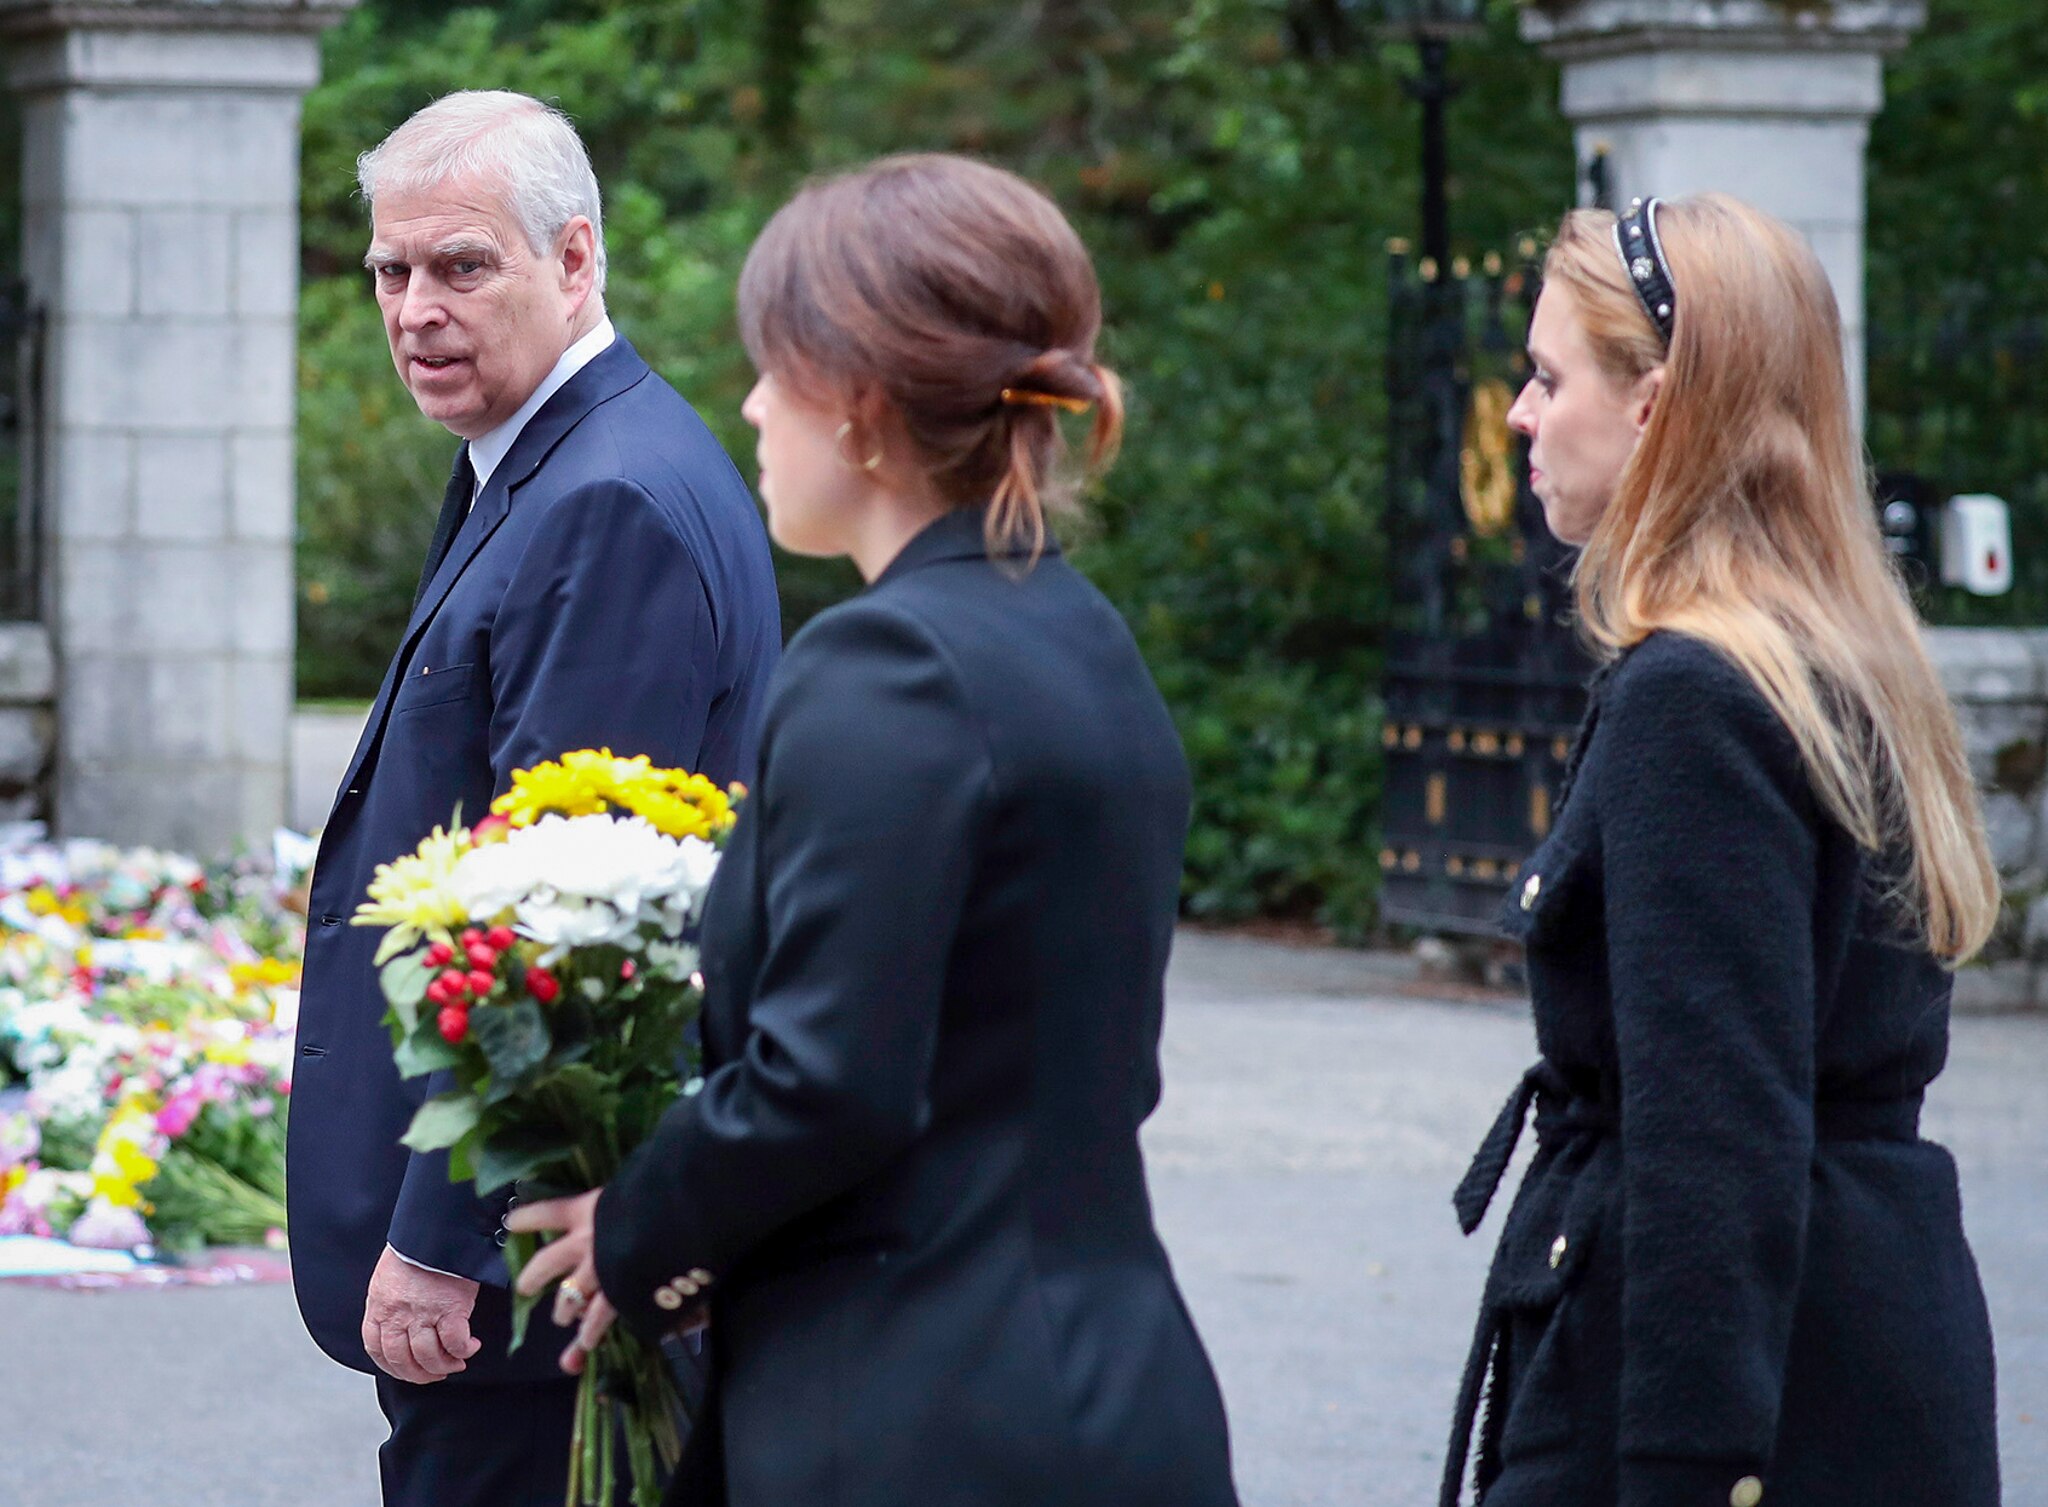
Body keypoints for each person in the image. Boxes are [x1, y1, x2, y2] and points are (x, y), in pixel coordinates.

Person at [506, 153, 1242, 1507]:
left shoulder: (887, 664)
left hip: (925, 1414)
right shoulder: (1081, 637)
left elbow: (826, 1080)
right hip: (1110, 1381)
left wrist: (635, 1232)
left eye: (770, 370)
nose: (748, 407)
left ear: (853, 401)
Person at [1440, 192, 2002, 1507]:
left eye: (1544, 376)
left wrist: (1692, 1470)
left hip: (1740, 1387)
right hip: (1857, 1337)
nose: (1519, 415)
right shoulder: (1832, 665)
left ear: (1655, 406)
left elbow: (1718, 1132)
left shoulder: (1696, 693)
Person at [286, 91, 781, 1506]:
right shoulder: (554, 462)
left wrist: (449, 1238)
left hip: (536, 1295)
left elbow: (565, 919)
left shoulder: (607, 500)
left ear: (576, 261)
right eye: (391, 271)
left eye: (462, 266)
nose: (415, 309)